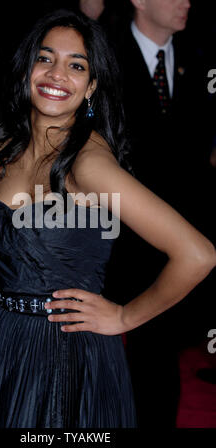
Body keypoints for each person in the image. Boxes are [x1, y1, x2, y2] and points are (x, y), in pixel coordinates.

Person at [0, 9, 216, 429]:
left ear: (92, 86)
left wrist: (124, 317)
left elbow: (197, 254)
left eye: (76, 65)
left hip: (68, 357)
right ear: (27, 67)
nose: (57, 74)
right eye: (45, 59)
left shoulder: (88, 164)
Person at [91, 0, 215, 427]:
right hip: (115, 237)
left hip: (182, 237)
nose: (186, 1)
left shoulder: (201, 59)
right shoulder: (100, 56)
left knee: (158, 356)